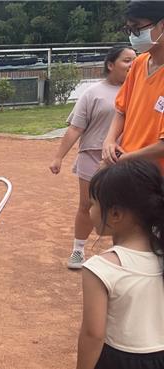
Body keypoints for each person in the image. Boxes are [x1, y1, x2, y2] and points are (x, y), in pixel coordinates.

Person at [49, 46, 137, 269]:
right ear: (110, 65)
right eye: (127, 61)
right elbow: (76, 129)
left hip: (125, 157)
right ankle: (78, 250)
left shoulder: (138, 91)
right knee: (87, 204)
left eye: (134, 61)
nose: (132, 65)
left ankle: (120, 252)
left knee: (124, 205)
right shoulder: (93, 93)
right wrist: (58, 157)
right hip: (92, 155)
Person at [76, 159, 164, 369]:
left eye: (93, 204)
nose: (89, 211)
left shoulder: (101, 268)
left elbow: (93, 334)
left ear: (115, 214)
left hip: (119, 360)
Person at [102, 1, 164, 170]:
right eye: (129, 30)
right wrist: (110, 141)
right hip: (130, 170)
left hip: (155, 177)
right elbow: (122, 110)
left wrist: (125, 158)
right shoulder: (138, 63)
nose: (133, 35)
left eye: (138, 28)